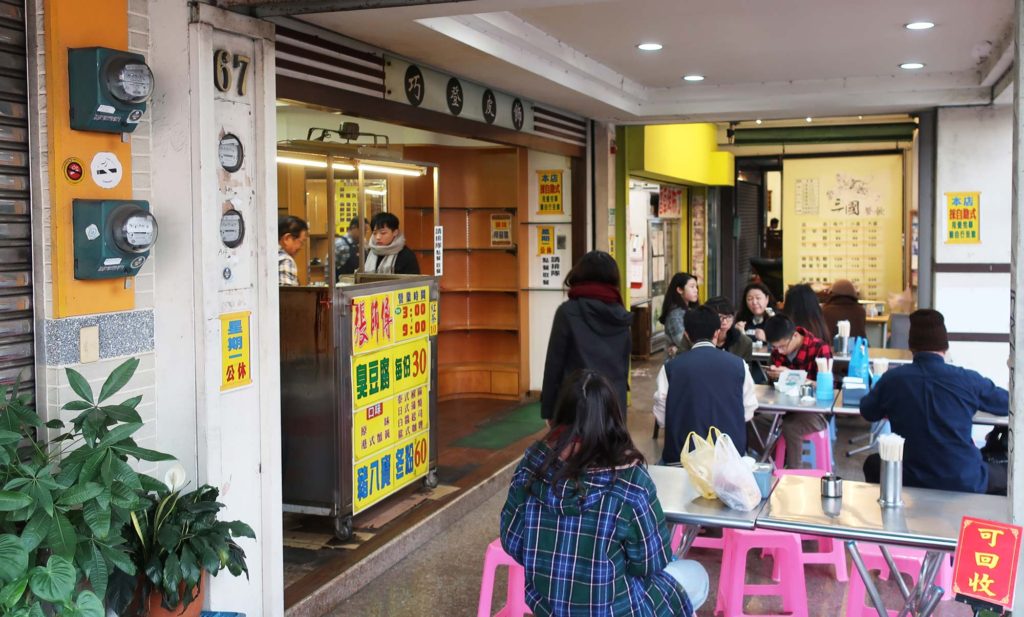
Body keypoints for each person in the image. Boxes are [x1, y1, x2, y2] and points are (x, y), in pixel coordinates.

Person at [502, 370, 708, 616]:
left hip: (549, 609)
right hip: (620, 610)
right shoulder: (631, 483)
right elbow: (650, 562)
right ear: (614, 423)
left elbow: (512, 542)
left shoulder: (531, 468)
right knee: (697, 576)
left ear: (555, 420)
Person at [860, 309, 1009, 495]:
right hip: (964, 478)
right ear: (945, 347)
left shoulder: (892, 380)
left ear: (911, 347)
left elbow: (867, 411)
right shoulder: (968, 380)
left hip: (909, 476)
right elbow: (1008, 404)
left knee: (873, 463)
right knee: (1008, 473)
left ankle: (888, 513)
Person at [654, 306, 758, 464]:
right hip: (730, 458)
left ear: (687, 335)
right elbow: (748, 410)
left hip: (682, 459)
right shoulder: (739, 365)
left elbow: (662, 416)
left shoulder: (671, 368)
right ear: (717, 333)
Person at [541, 251, 631, 421]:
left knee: (574, 448)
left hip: (574, 407)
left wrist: (549, 410)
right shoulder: (620, 315)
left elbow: (554, 365)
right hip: (612, 407)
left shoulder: (567, 312)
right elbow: (623, 367)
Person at [749, 314, 832, 467]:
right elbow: (775, 390)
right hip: (783, 409)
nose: (779, 351)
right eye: (775, 347)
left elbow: (827, 388)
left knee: (791, 427)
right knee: (750, 421)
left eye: (782, 346)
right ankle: (772, 462)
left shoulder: (819, 348)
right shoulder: (777, 352)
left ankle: (794, 476)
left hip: (813, 412)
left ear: (795, 335)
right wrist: (774, 376)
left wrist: (792, 375)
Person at [678, 296, 753, 361]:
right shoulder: (693, 336)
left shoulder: (744, 342)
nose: (725, 321)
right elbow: (681, 362)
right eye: (720, 317)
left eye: (729, 316)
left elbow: (745, 371)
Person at [659, 272, 699, 358]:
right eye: (692, 287)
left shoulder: (691, 310)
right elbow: (683, 343)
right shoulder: (675, 315)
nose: (696, 290)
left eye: (696, 286)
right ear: (680, 290)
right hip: (679, 364)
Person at [278, 215, 308, 287]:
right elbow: (287, 295)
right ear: (287, 238)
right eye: (301, 242)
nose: (300, 248)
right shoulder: (285, 260)